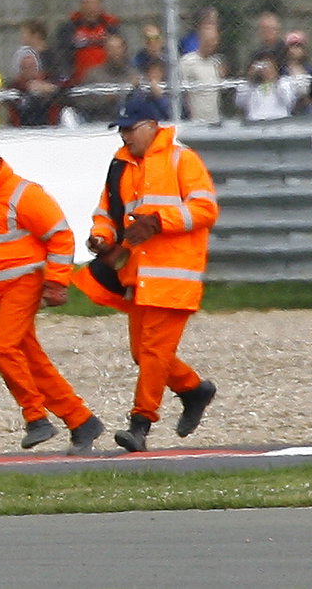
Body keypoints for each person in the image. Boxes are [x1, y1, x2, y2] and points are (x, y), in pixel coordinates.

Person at [0, 134, 104, 454]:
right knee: (31, 362)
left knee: (2, 350)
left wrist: (57, 282)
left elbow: (60, 236)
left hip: (24, 286)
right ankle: (81, 421)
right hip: (0, 294)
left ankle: (36, 418)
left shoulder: (24, 194)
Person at [87, 94, 220, 453]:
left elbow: (205, 209)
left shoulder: (182, 160)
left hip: (175, 277)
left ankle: (140, 425)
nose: (124, 137)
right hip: (140, 277)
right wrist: (100, 238)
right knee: (142, 353)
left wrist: (160, 222)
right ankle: (194, 389)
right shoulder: (122, 167)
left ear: (152, 127)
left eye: (130, 129)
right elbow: (107, 213)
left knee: (153, 354)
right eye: (121, 130)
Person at [56, 0, 119, 82]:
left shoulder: (110, 26)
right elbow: (62, 54)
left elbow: (120, 52)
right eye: (87, 2)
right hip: (78, 80)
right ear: (81, 5)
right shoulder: (69, 27)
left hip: (107, 79)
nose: (91, 6)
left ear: (100, 4)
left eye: (94, 2)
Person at [179, 21, 227, 124]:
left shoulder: (216, 63)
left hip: (214, 120)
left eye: (214, 40)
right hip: (195, 121)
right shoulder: (188, 62)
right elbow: (182, 92)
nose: (212, 44)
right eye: (209, 41)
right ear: (200, 40)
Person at [236, 56, 306, 122]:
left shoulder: (284, 82)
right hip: (255, 123)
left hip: (279, 122)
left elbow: (288, 101)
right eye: (262, 66)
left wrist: (274, 80)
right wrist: (250, 79)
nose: (265, 69)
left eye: (269, 66)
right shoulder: (250, 86)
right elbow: (240, 103)